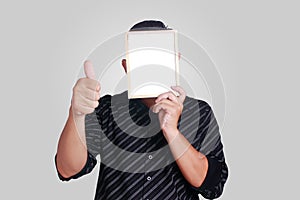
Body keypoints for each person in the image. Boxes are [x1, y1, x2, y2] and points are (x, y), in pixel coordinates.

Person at [55, 20, 228, 200]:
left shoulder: (199, 112)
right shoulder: (105, 109)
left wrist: (172, 132)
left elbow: (213, 185)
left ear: (175, 60)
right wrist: (77, 113)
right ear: (126, 66)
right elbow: (67, 169)